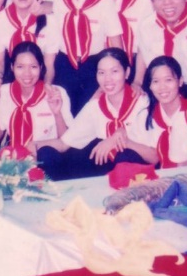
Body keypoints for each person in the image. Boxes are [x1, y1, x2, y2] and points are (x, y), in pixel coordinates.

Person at [38, 48, 147, 180]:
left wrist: (119, 139)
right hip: (105, 169)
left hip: (138, 174)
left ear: (127, 72)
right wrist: (32, 147)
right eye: (101, 73)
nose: (108, 79)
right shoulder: (95, 106)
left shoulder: (142, 103)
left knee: (125, 155)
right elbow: (64, 143)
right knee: (49, 154)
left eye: (114, 71)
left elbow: (154, 155)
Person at [49, 0, 123, 115]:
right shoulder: (59, 1)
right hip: (64, 64)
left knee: (89, 114)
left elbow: (117, 46)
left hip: (93, 66)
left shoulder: (104, 4)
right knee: (65, 114)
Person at [0, 40, 72, 158]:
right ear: (12, 67)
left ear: (41, 67)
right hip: (11, 161)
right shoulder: (2, 92)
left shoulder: (55, 93)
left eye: (33, 67)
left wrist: (57, 113)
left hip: (46, 160)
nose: (27, 73)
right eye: (20, 67)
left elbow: (67, 142)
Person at [124, 55, 187, 168]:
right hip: (159, 175)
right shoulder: (146, 116)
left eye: (168, 80)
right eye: (156, 81)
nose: (162, 87)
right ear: (150, 86)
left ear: (180, 81)